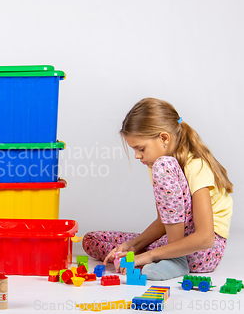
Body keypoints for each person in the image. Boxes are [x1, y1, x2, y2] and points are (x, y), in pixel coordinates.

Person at [83, 98, 233, 280]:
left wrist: (149, 255)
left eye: (141, 148)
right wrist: (133, 246)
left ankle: (175, 261)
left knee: (163, 166)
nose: (138, 156)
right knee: (92, 240)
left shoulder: (191, 166)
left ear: (164, 138)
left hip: (203, 252)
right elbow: (166, 221)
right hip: (177, 242)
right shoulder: (157, 165)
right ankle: (160, 257)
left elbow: (205, 238)